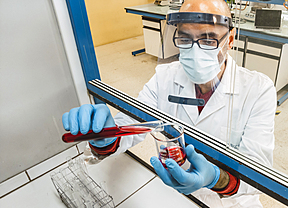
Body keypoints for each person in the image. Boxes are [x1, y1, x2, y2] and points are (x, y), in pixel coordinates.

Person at [62, 0, 276, 207]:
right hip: (175, 192)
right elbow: (133, 124)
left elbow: (258, 174)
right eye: (185, 39)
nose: (195, 51)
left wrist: (215, 178)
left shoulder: (258, 90)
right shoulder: (165, 77)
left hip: (233, 202)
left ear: (230, 40)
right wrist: (105, 138)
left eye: (209, 40)